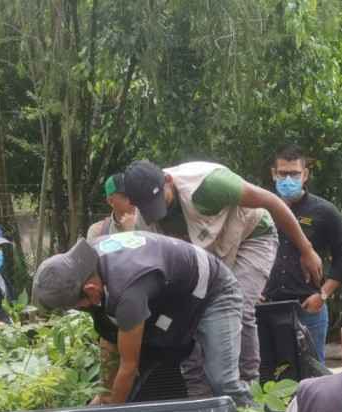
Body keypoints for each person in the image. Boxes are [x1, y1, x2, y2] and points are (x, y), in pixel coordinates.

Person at [118, 159, 324, 391]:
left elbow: (272, 201)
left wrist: (306, 250)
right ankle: (198, 392)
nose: (157, 212)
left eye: (159, 201)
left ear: (167, 181)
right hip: (210, 256)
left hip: (252, 236)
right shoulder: (142, 223)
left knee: (239, 305)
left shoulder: (210, 185)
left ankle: (248, 386)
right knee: (190, 313)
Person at [31, 232, 249, 407]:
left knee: (223, 380)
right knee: (180, 367)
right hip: (174, 294)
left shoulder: (127, 293)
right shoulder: (85, 267)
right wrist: (103, 395)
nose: (81, 309)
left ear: (90, 288)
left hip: (214, 290)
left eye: (78, 305)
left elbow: (128, 366)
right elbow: (109, 338)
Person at [262, 145, 342, 358]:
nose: (288, 179)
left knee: (311, 374)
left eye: (294, 174)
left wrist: (323, 295)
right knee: (265, 374)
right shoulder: (261, 209)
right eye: (283, 173)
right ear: (273, 174)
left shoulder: (324, 211)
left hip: (307, 308)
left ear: (305, 175)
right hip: (266, 307)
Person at [86, 174, 147, 241]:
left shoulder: (149, 225)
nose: (132, 200)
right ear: (111, 201)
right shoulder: (98, 232)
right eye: (126, 196)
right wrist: (129, 233)